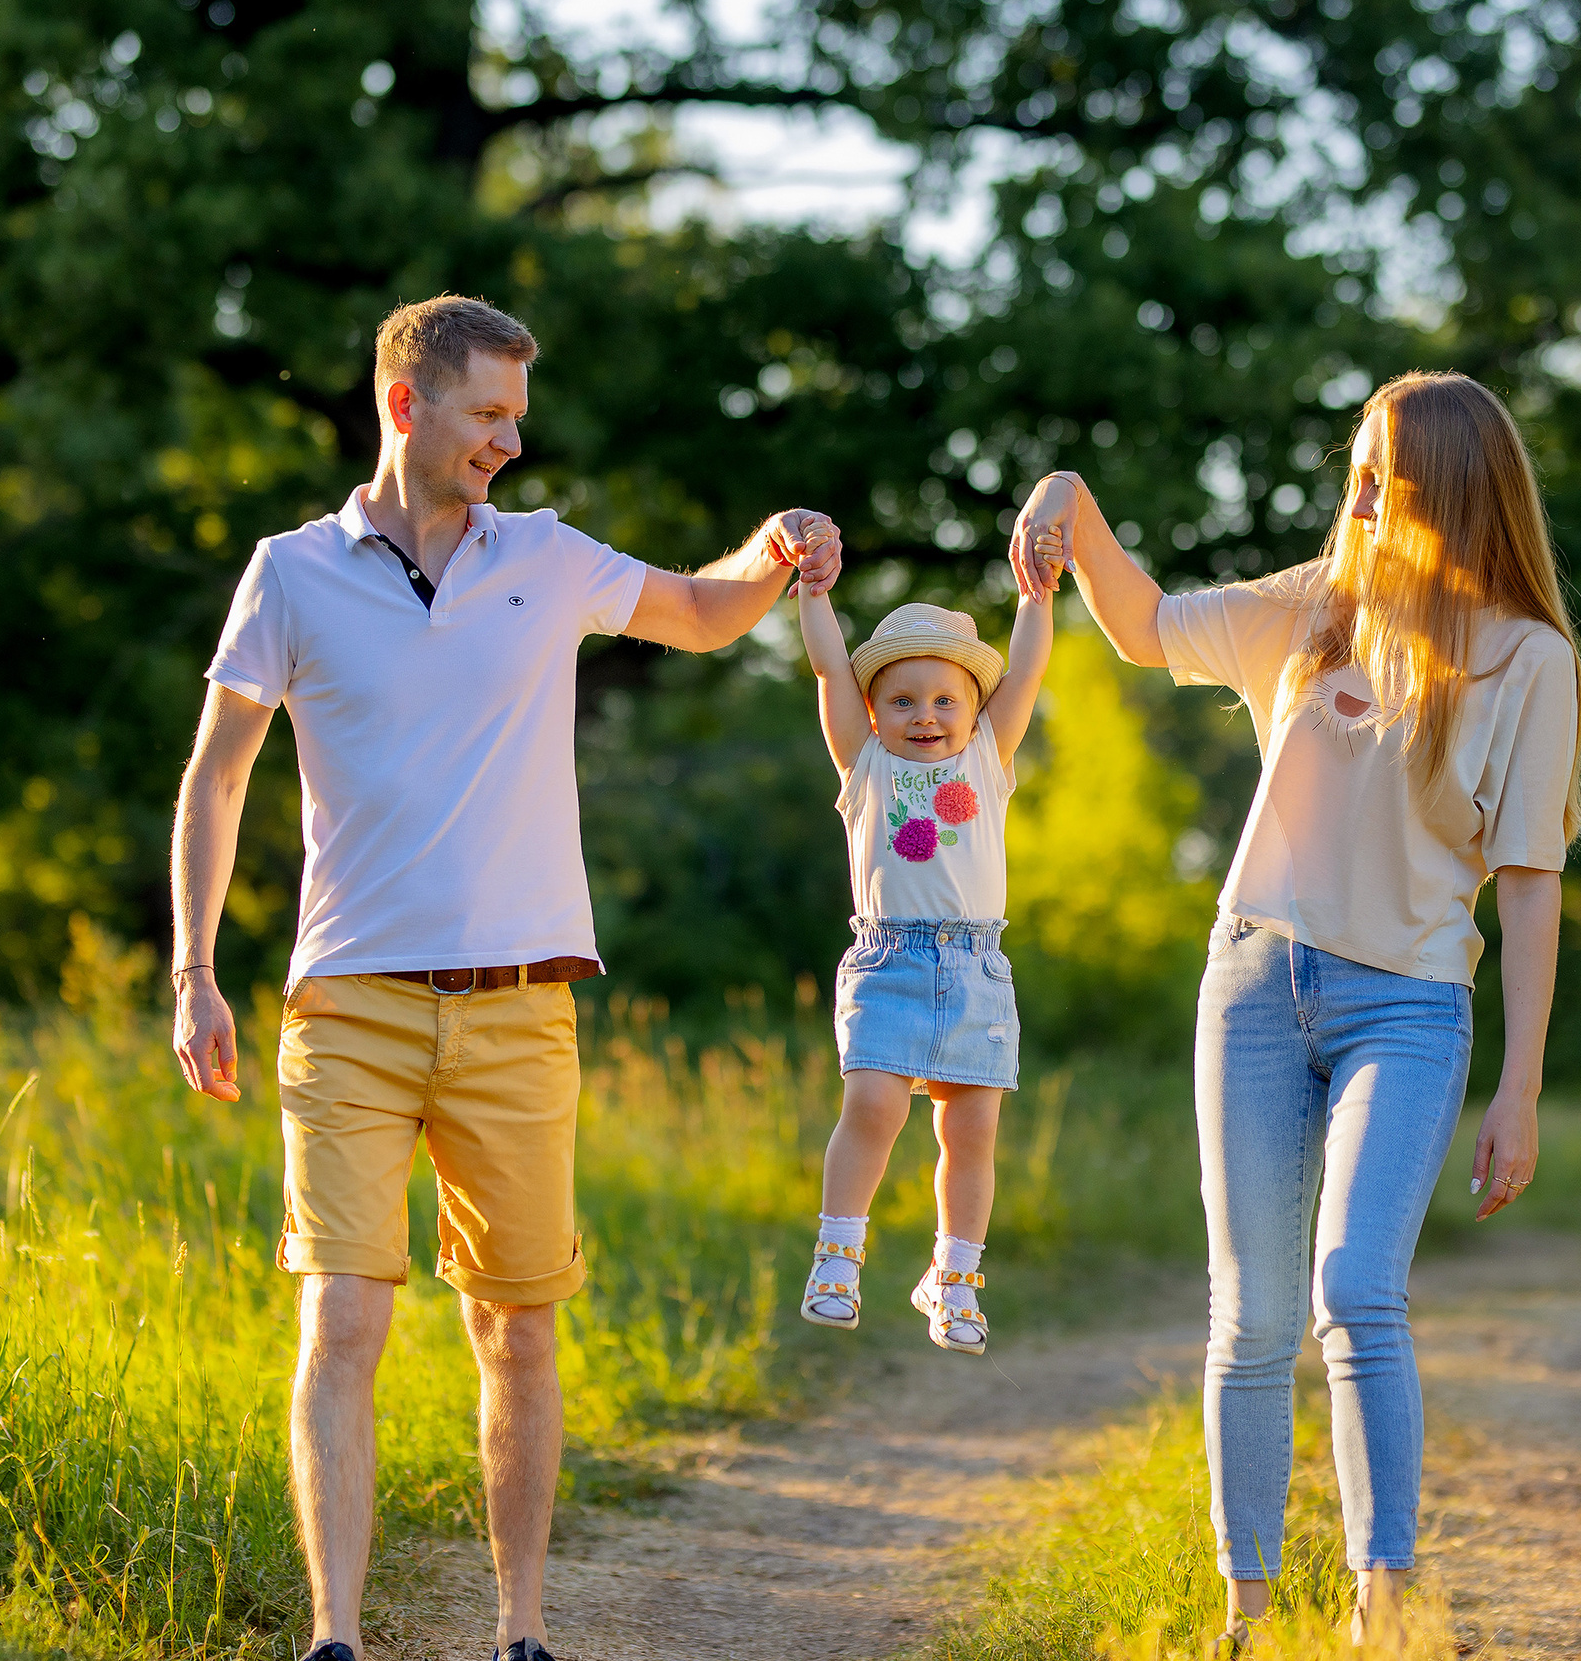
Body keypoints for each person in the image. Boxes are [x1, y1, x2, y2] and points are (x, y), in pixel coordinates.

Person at [167, 294, 841, 1661]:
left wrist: (774, 549)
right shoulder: (290, 573)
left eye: (517, 418)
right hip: (347, 1003)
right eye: (487, 414)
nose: (509, 444)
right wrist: (194, 968)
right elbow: (216, 776)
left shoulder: (550, 556)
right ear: (404, 405)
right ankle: (336, 1637)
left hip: (521, 1005)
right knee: (341, 1315)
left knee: (518, 1329)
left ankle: (520, 1631)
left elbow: (704, 613)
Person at [1011, 371, 1581, 1652]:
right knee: (1253, 1314)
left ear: (1455, 488)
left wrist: (1521, 1088)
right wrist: (1070, 500)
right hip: (1252, 984)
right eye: (1359, 469)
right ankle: (1250, 1615)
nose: (1360, 495)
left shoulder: (1527, 659)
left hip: (1410, 1007)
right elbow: (1141, 626)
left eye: (1390, 475)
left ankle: (1385, 1606)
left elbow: (1530, 884)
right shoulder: (1313, 605)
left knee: (1355, 1289)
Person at [792, 567, 1055, 1355]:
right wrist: (813, 592)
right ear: (875, 711)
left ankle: (955, 1274)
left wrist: (1038, 597)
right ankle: (838, 1255)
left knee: (970, 1128)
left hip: (977, 968)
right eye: (903, 701)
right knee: (874, 1107)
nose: (926, 716)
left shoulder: (987, 756)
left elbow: (1027, 670)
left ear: (975, 709)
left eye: (945, 700)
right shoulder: (865, 762)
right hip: (889, 963)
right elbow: (829, 668)